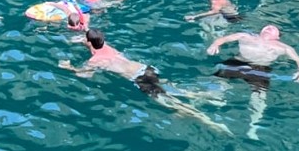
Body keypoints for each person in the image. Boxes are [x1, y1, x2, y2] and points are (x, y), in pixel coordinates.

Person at [61, 29, 229, 131]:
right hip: (145, 69)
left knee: (173, 103)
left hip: (138, 78)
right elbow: (95, 44)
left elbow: (84, 74)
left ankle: (211, 123)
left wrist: (69, 67)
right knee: (174, 88)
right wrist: (83, 39)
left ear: (89, 42)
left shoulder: (95, 61)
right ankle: (204, 95)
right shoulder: (107, 47)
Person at [207, 24, 299, 85]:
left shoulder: (283, 47)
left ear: (278, 37)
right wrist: (214, 44)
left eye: (273, 29)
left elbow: (298, 60)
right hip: (238, 62)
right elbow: (224, 39)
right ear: (260, 31)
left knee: (259, 95)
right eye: (267, 27)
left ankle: (255, 118)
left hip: (260, 68)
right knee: (218, 81)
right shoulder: (245, 36)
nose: (269, 28)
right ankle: (214, 98)